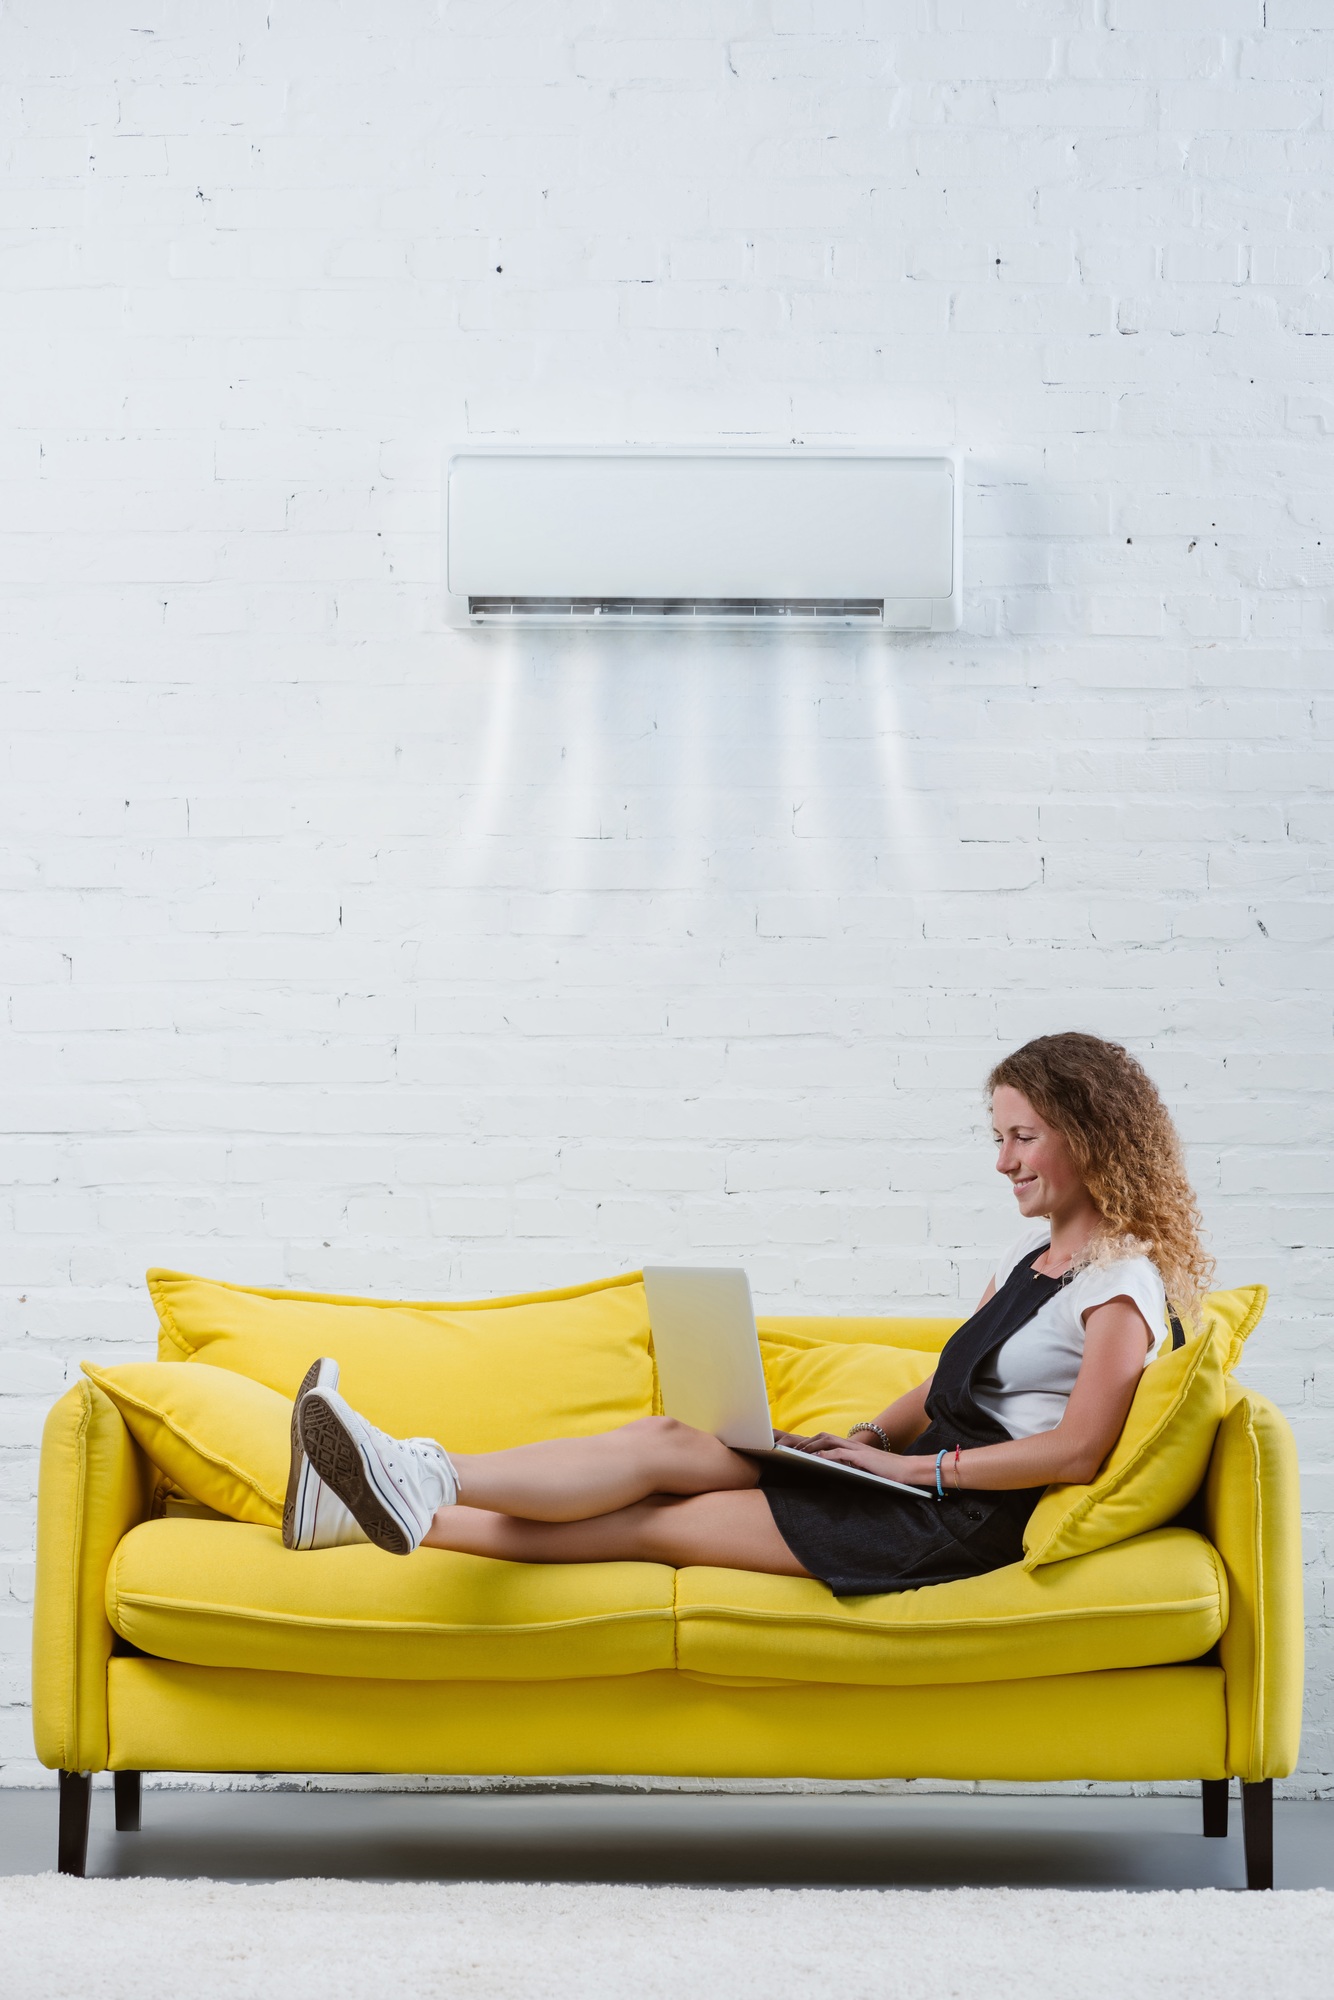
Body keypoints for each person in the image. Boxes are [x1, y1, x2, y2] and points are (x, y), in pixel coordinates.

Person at [283, 1032, 1212, 1596]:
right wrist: (852, 1438)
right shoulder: (1035, 1260)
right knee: (665, 1441)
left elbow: (1076, 1451)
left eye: (1022, 1137)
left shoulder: (1119, 1285)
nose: (1004, 1161)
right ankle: (419, 1472)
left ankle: (384, 1503)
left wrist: (919, 1468)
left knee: (653, 1520)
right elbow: (943, 1380)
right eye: (998, 1137)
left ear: (1087, 1138)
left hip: (951, 1520)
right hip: (901, 1479)